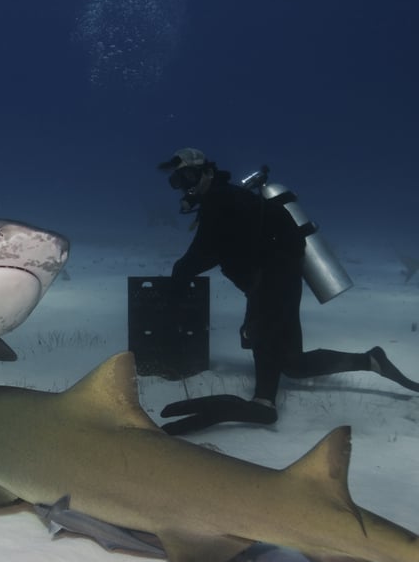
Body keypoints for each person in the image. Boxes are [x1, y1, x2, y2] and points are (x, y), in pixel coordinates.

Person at [157, 147, 419, 435]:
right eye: (179, 181)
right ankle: (371, 360)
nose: (188, 185)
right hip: (284, 278)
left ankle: (263, 404)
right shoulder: (230, 197)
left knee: (261, 334)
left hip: (271, 281)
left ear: (208, 172)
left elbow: (200, 255)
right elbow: (219, 248)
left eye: (191, 176)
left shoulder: (220, 200)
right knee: (292, 363)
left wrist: (176, 284)